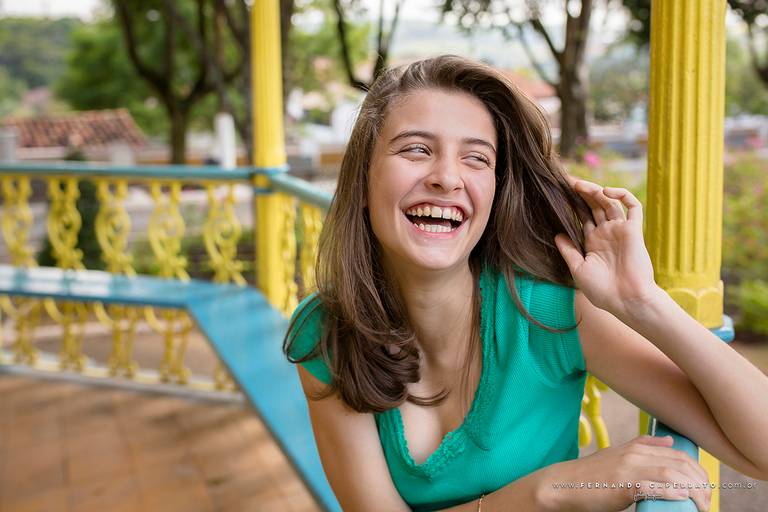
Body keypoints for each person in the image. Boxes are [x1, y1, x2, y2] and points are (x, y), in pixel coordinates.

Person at [283, 55, 768, 512]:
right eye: (416, 148)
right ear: (363, 181)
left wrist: (643, 302)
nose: (448, 177)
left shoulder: (547, 312)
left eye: (476, 159)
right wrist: (546, 491)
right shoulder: (327, 332)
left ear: (495, 192)